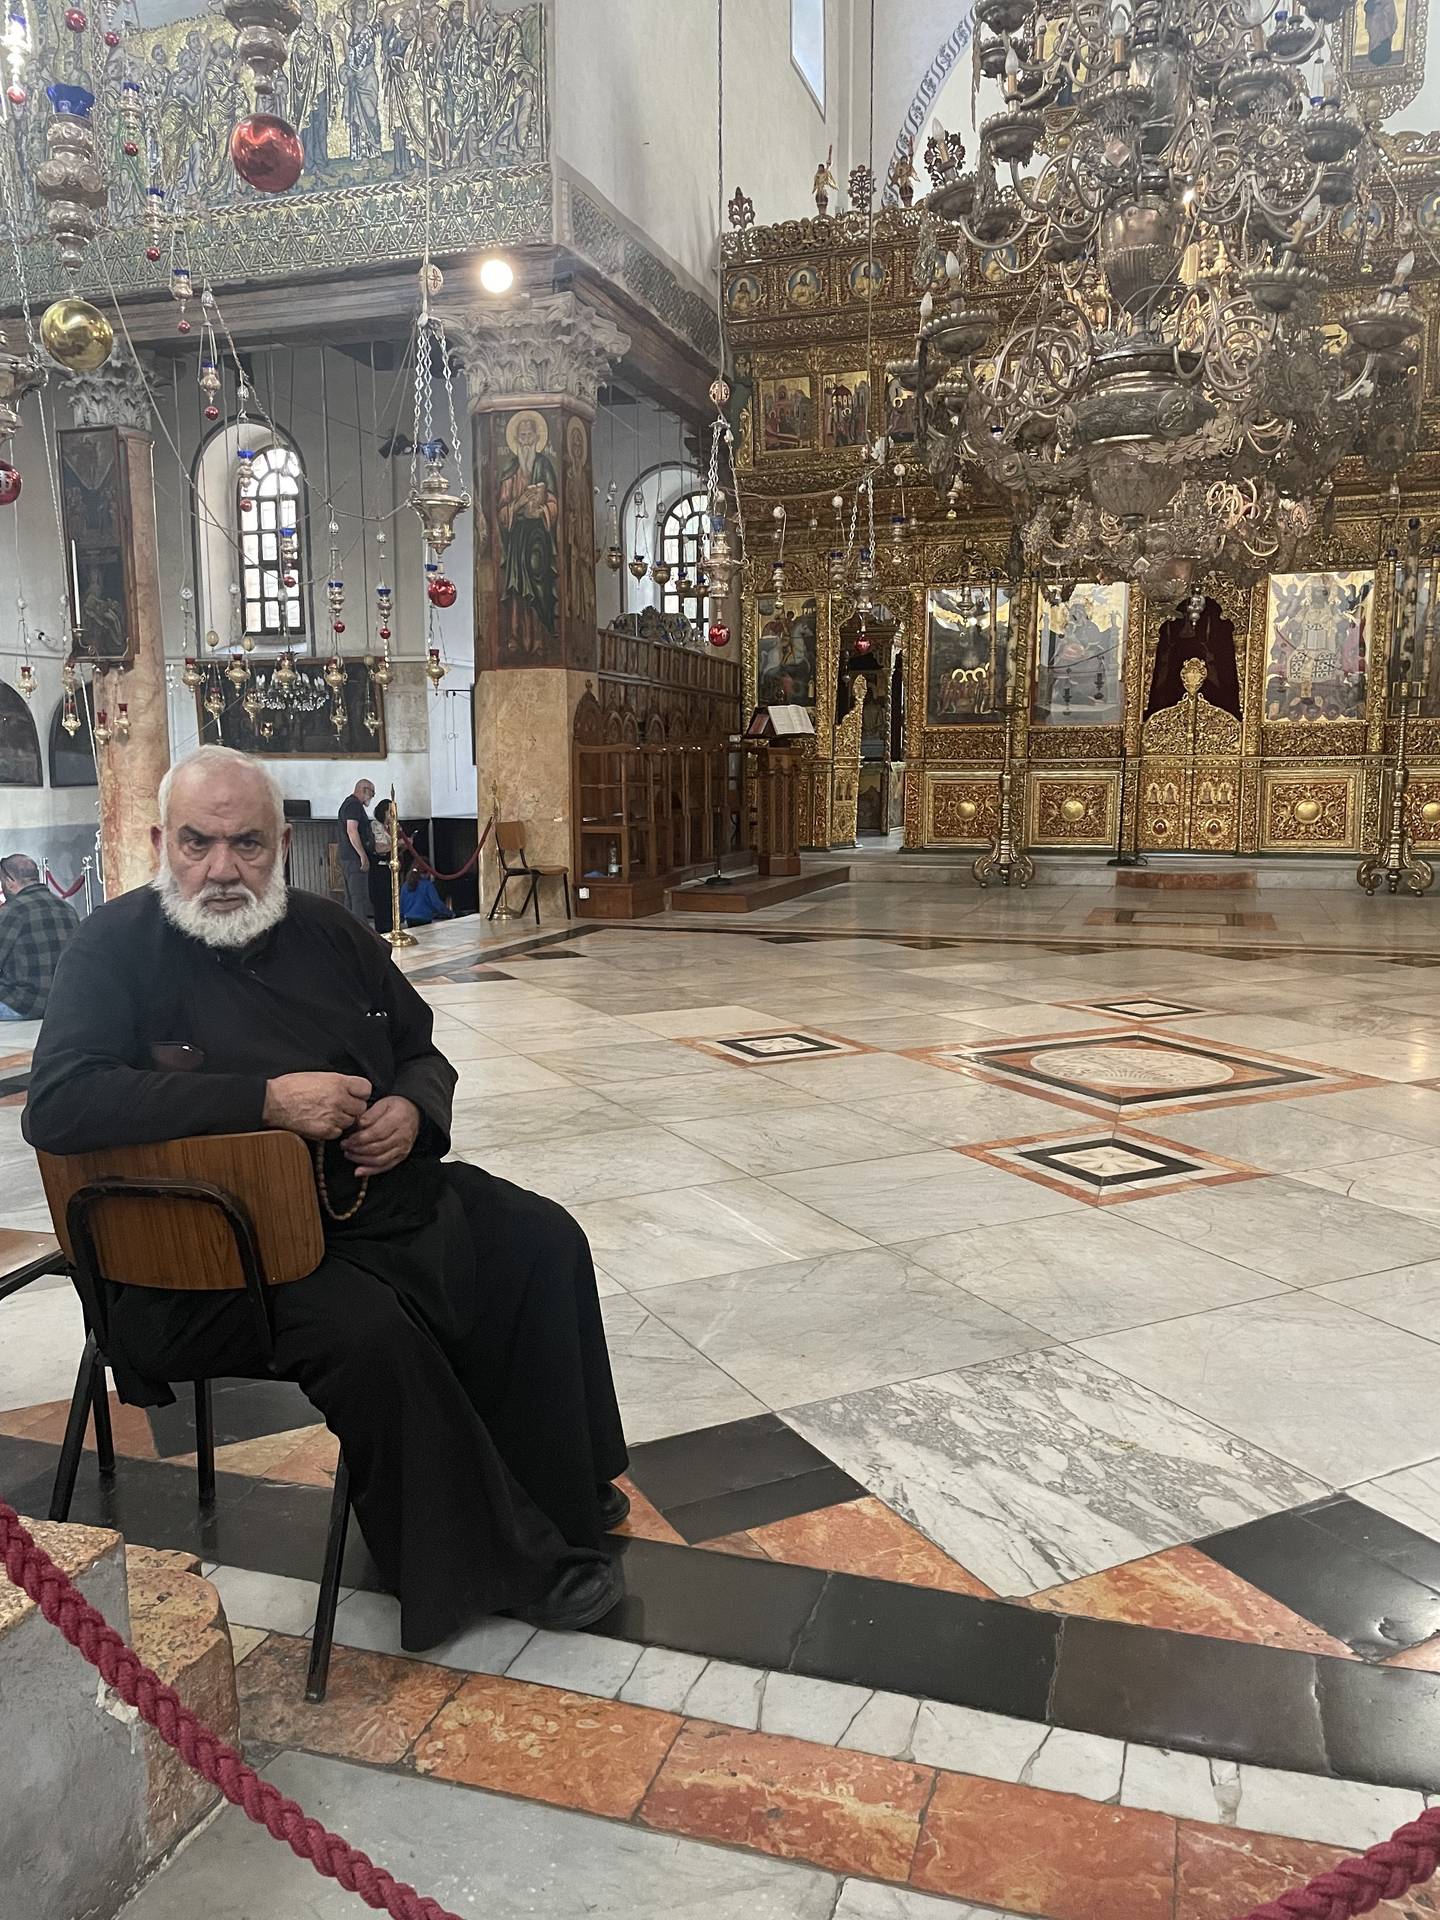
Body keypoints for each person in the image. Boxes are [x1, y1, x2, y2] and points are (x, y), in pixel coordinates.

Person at [23, 745, 628, 1649]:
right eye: (196, 843)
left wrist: (411, 1110)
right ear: (159, 842)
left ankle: (557, 1484)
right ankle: (499, 1562)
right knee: (372, 1330)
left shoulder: (330, 931)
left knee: (538, 1238)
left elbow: (420, 1049)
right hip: (207, 1257)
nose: (222, 869)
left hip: (364, 1209)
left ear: (281, 846)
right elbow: (61, 1103)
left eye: (247, 844)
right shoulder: (112, 947)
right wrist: (265, 1102)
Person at [0, 853, 78, 1020]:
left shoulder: (12, 911)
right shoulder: (68, 909)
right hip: (62, 1003)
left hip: (22, 1005)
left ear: (9, 882)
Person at [337, 777, 376, 924]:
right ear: (364, 790)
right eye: (372, 793)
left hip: (347, 857)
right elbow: (352, 831)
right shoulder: (354, 805)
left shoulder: (348, 804)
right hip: (354, 859)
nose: (372, 797)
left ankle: (350, 929)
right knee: (359, 898)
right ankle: (360, 931)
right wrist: (362, 855)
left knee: (351, 898)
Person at [369, 795, 396, 935]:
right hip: (379, 866)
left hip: (391, 866)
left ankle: (392, 926)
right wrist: (397, 844)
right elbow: (379, 847)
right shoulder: (376, 826)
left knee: (391, 898)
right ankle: (382, 929)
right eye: (390, 811)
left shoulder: (392, 826)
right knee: (381, 899)